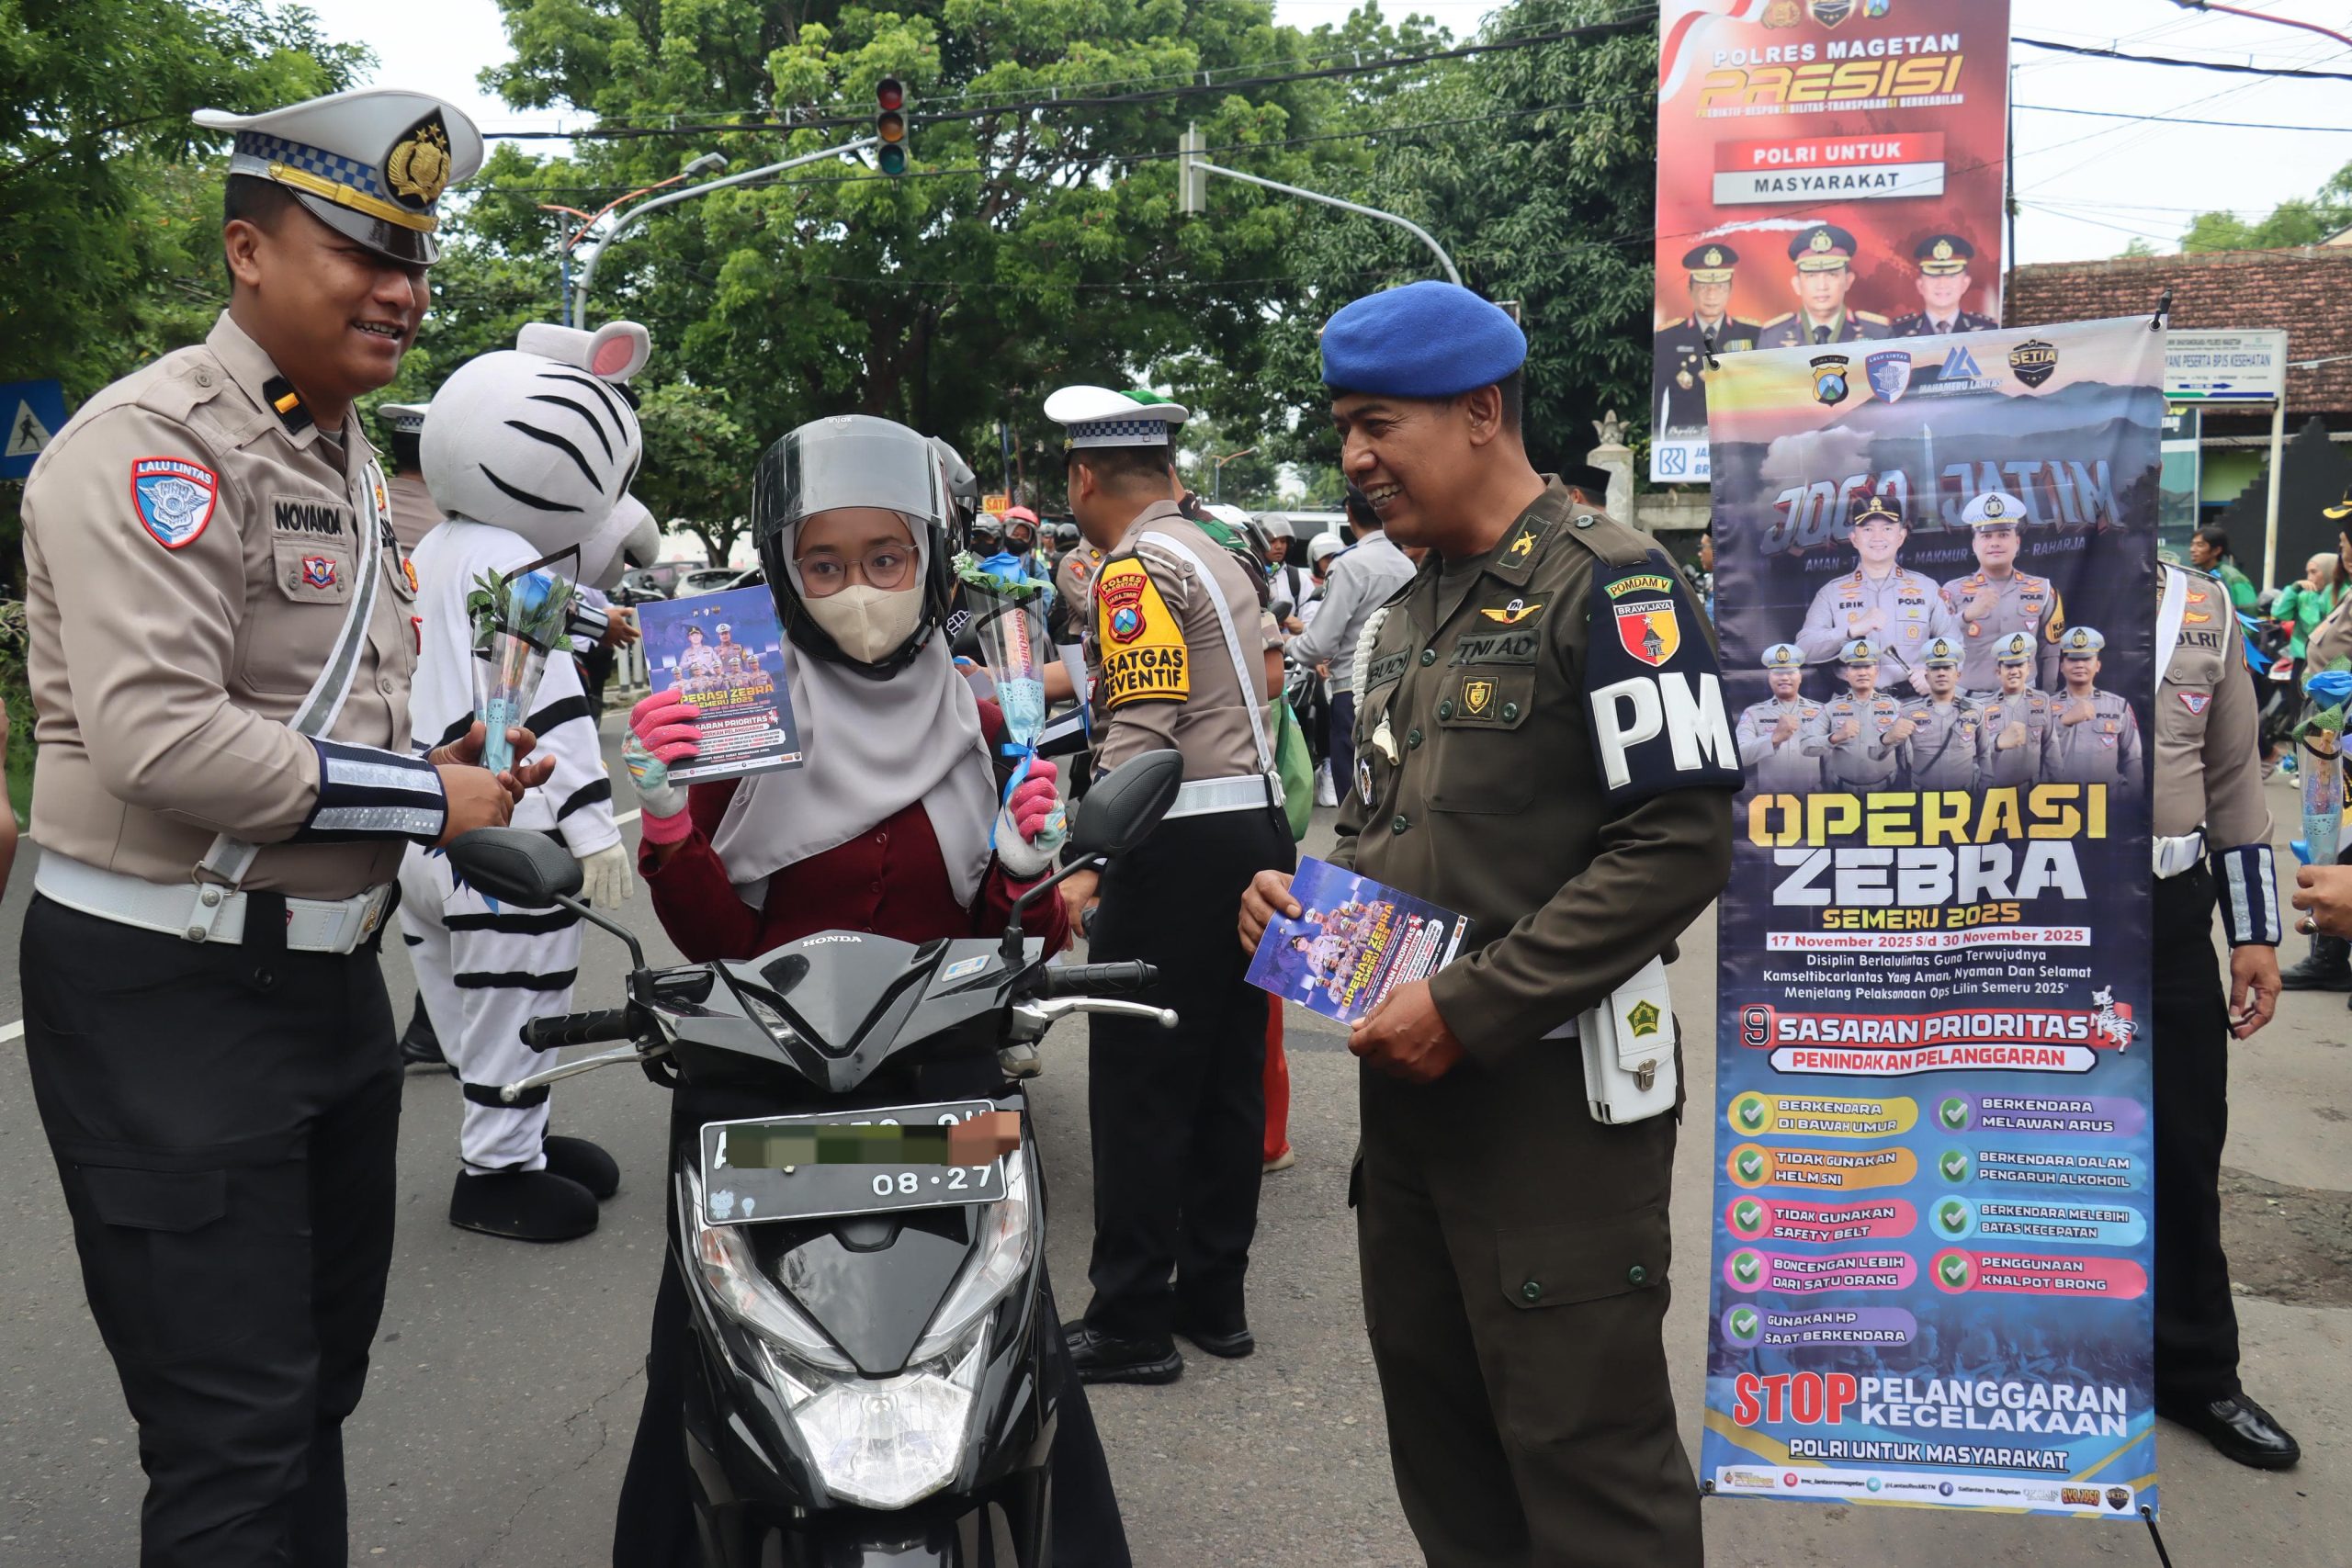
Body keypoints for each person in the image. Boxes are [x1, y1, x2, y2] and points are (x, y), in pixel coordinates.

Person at [16, 87, 555, 1563]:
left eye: (416, 256)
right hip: (169, 993)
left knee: (313, 1392)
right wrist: (427, 798)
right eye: (360, 247)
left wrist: (438, 766)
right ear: (249, 250)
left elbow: (317, 725)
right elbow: (161, 737)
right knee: (234, 1438)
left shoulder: (341, 456)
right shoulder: (156, 445)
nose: (402, 288)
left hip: (327, 983)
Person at [1242, 279, 1738, 1566]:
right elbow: (1392, 824)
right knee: (1446, 1443)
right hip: (1412, 1107)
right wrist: (1306, 895)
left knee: (1586, 1463)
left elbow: (1678, 840)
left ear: (1479, 411)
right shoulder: (1411, 610)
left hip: (1555, 1108)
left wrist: (1469, 1007)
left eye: (1376, 422)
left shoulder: (1615, 582)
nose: (1353, 455)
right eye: (1343, 425)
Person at [610, 412, 1130, 1565]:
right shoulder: (730, 700)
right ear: (786, 574)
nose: (859, 591)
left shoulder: (984, 712)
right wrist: (663, 817)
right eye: (826, 564)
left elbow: (1008, 942)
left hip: (942, 1081)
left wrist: (1022, 871)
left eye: (886, 559)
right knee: (702, 1356)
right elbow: (710, 935)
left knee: (1010, 1340)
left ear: (932, 562)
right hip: (757, 1085)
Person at [1044, 382, 1295, 1385]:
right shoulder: (1221, 551)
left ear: (1084, 475)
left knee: (1142, 1087)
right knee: (1229, 1075)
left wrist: (1090, 858)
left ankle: (1133, 1321)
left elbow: (1140, 735)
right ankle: (1215, 1300)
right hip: (1254, 827)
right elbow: (1268, 679)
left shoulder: (1133, 566)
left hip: (1172, 840)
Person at [397, 321, 648, 1241]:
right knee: (517, 997)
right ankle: (496, 1168)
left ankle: (516, 1136)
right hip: (506, 832)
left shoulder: (430, 551)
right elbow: (542, 700)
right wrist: (592, 832)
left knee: (468, 1006)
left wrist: (597, 613)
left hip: (422, 820)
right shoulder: (517, 563)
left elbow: (503, 610)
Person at [2150, 559, 2296, 1468]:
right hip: (2026, 912)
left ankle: (2194, 1372)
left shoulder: (2199, 604)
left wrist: (2254, 934)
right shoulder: (1999, 588)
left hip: (2165, 912)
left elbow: (2234, 776)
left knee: (2181, 1143)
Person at [1284, 480, 1414, 813]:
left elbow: (1319, 644)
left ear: (1348, 513)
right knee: (1392, 802)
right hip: (1403, 691)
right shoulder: (1407, 565)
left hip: (1352, 695)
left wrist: (1287, 644)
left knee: (1354, 804)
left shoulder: (1349, 564)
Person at [1796, 494, 1958, 692]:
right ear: (1854, 539)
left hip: (1914, 704)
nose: (1877, 537)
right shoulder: (1831, 593)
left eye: (1887, 528)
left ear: (1901, 537)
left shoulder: (1927, 588)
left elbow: (1955, 645)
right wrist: (1850, 631)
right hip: (1851, 706)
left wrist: (1934, 674)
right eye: (1867, 529)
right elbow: (1804, 649)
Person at [1941, 490, 2064, 694]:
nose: (1995, 543)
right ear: (1974, 545)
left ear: (2017, 543)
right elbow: (1938, 644)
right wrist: (1966, 615)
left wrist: (2048, 697)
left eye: (2003, 535)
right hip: (1967, 701)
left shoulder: (2043, 589)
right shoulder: (1952, 590)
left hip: (2023, 700)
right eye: (1986, 535)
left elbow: (2050, 650)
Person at [1653, 242, 1761, 433]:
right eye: (1703, 287)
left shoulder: (1753, 334)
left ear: (1730, 290)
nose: (1711, 295)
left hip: (1738, 438)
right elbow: (1659, 396)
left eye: (1719, 287)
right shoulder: (1667, 338)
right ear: (1690, 291)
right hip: (1686, 436)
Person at [2041, 626, 2142, 790]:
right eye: (2072, 659)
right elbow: (2030, 754)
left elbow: (2133, 758)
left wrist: (2134, 797)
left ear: (2098, 666)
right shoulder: (2043, 707)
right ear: (2061, 667)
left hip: (2105, 802)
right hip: (2057, 801)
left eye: (2087, 659)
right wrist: (2063, 721)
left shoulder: (2118, 705)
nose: (2079, 665)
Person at [1759, 223, 1889, 348]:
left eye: (1832, 275)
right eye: (1811, 276)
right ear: (1797, 285)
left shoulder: (1878, 333)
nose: (1822, 286)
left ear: (1848, 281)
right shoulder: (1773, 337)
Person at [1736, 642, 1826, 793]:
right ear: (1769, 677)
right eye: (1778, 673)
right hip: (1771, 801)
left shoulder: (1820, 711)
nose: (1784, 678)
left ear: (1800, 677)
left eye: (1790, 672)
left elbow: (1834, 755)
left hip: (1812, 800)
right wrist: (1774, 738)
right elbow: (1739, 757)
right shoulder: (1754, 713)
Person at [1894, 635, 1978, 791]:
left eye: (1947, 668)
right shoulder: (1908, 712)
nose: (1941, 673)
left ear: (1958, 675)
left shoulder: (1975, 709)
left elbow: (1984, 753)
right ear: (1926, 676)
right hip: (1923, 791)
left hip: (1963, 792)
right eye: (1935, 668)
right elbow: (1901, 758)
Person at [1820, 637, 1905, 789]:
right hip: (1841, 790)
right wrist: (1836, 737)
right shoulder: (1830, 708)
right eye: (1856, 667)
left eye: (1867, 667)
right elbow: (1819, 752)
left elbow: (1905, 753)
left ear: (1876, 672)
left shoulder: (1895, 707)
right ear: (1846, 673)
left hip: (1888, 790)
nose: (1862, 673)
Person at [1975, 630, 2052, 788]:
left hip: (2033, 790)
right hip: (1995, 791)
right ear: (1998, 672)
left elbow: (2051, 748)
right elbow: (1970, 752)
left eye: (2020, 665)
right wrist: (1996, 743)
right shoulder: (1982, 707)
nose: (2014, 671)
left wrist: (2059, 788)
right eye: (2009, 665)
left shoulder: (2042, 700)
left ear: (2029, 668)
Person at [1888, 233, 1998, 336]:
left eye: (1951, 276)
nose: (1942, 284)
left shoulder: (1987, 331)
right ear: (1920, 285)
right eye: (1933, 276)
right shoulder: (1897, 333)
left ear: (1965, 284)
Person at [2189, 525, 2258, 610]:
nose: (2192, 549)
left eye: (2200, 545)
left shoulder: (2232, 577)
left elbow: (2249, 612)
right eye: (2192, 545)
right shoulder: (2196, 576)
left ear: (2216, 550)